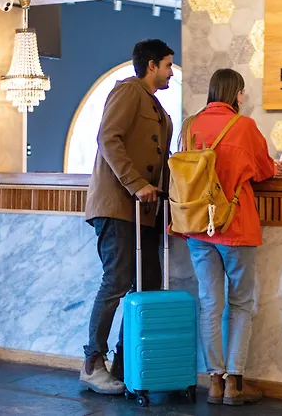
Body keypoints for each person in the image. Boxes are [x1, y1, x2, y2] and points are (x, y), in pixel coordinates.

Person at [80, 39, 174, 394]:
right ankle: (93, 363)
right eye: (167, 65)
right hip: (119, 207)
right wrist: (136, 184)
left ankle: (124, 364)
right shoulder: (129, 91)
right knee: (116, 282)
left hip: (144, 213)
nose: (170, 72)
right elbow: (108, 138)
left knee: (147, 285)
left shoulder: (155, 104)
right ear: (151, 65)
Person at [179, 68, 276, 406]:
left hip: (196, 225)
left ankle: (214, 383)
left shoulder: (190, 126)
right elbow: (264, 171)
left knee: (210, 303)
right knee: (241, 303)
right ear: (237, 94)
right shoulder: (244, 126)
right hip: (234, 225)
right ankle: (235, 383)